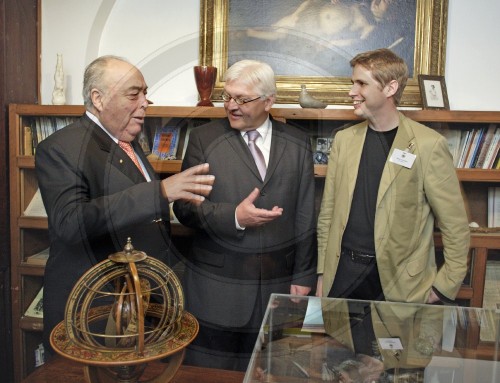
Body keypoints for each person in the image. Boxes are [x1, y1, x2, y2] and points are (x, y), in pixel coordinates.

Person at [35, 55, 215, 355]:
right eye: (134, 94)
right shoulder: (61, 148)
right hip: (96, 311)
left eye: (145, 94)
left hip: (138, 308)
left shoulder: (128, 143)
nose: (145, 103)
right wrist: (159, 193)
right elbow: (70, 222)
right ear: (98, 98)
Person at [173, 59, 317, 371]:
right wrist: (234, 216)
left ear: (269, 101)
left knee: (276, 373)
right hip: (217, 289)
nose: (232, 106)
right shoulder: (203, 139)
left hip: (279, 288)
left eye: (243, 99)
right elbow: (183, 208)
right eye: (228, 96)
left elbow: (306, 212)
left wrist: (304, 275)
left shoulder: (298, 142)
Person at [316, 48, 469, 305]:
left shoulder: (429, 145)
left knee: (393, 347)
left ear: (390, 88)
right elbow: (328, 215)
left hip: (400, 286)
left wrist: (444, 287)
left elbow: (455, 227)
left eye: (361, 83)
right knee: (341, 346)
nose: (352, 91)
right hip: (342, 277)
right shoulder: (343, 140)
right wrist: (323, 273)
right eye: (352, 83)